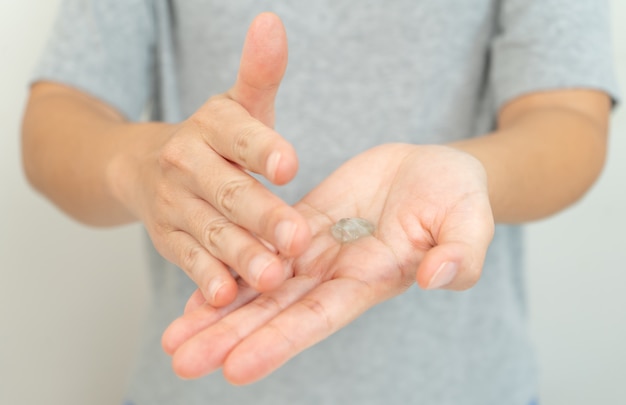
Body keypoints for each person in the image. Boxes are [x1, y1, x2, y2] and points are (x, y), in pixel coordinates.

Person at [22, 1, 618, 404]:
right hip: (200, 379)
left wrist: (470, 176)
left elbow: (568, 118)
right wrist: (141, 164)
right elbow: (57, 118)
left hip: (465, 385)